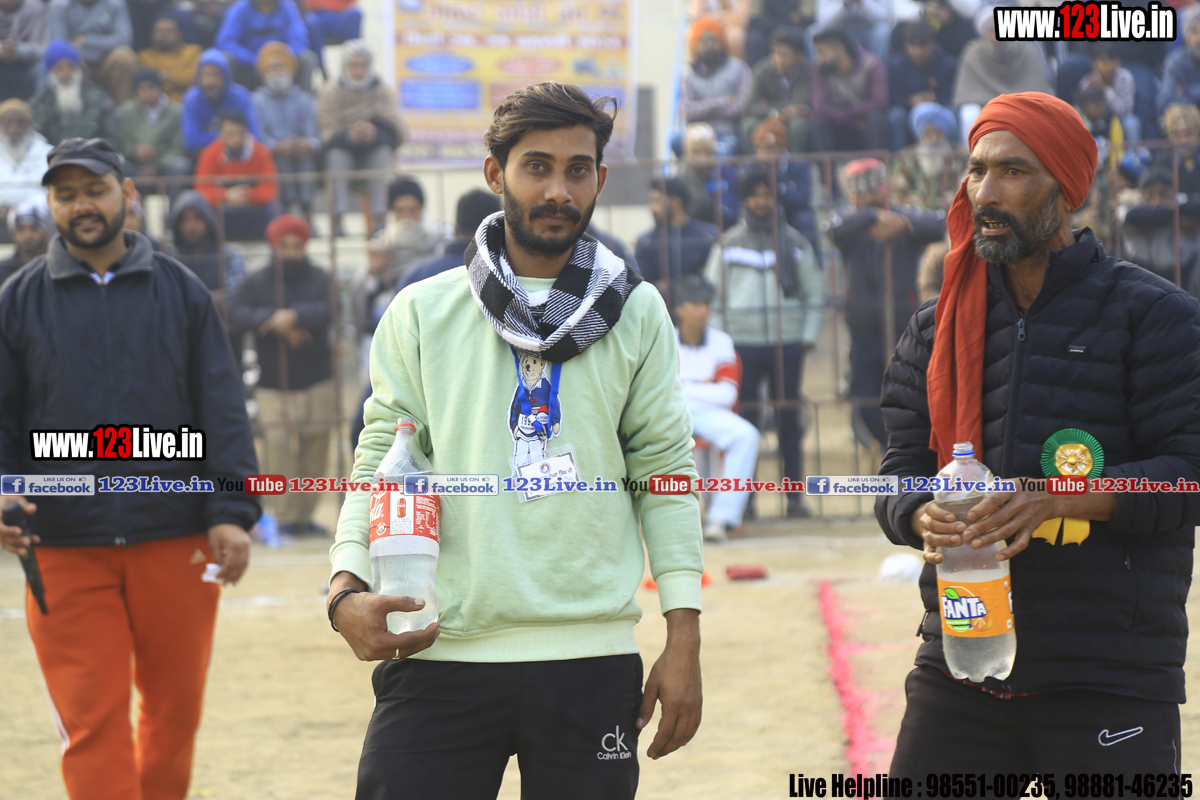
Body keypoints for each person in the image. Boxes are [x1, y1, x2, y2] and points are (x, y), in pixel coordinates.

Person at [327, 81, 703, 798]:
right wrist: (344, 587)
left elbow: (665, 472)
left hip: (590, 659)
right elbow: (381, 459)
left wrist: (683, 637)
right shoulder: (421, 311)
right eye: (537, 166)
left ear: (600, 179)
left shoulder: (637, 310)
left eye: (577, 169)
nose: (558, 190)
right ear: (495, 174)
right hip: (437, 650)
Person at [882, 88, 1200, 774]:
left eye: (1013, 171)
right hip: (962, 656)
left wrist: (1057, 499)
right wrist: (917, 513)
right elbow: (899, 471)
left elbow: (1189, 475)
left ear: (1066, 188)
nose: (985, 193)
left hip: (1107, 667)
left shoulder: (1154, 315)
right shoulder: (935, 328)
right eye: (976, 170)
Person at [0, 136, 259, 800]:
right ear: (50, 205)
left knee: (174, 718)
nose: (82, 205)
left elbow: (222, 407)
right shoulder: (16, 300)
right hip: (62, 546)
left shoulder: (182, 292)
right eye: (66, 195)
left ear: (127, 194)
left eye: (95, 190)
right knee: (92, 724)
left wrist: (230, 510)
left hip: (176, 539)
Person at [705, 168, 823, 518]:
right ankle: (746, 500)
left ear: (775, 198)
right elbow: (713, 297)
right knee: (746, 423)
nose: (761, 201)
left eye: (766, 194)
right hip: (740, 345)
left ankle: (794, 498)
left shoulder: (796, 243)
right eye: (755, 195)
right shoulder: (727, 243)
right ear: (745, 200)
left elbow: (814, 293)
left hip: (788, 342)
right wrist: (722, 343)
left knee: (789, 422)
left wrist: (807, 337)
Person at [829, 157, 946, 448]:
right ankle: (893, 448)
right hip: (863, 331)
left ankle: (910, 452)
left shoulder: (904, 216)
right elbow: (831, 228)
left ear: (885, 188)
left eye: (875, 190)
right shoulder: (850, 225)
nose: (870, 197)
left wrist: (899, 223)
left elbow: (940, 224)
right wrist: (872, 217)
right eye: (863, 193)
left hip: (906, 328)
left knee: (914, 397)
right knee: (864, 400)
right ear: (853, 196)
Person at [229, 214, 333, 537]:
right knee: (277, 447)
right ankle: (285, 517)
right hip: (273, 381)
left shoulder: (320, 277)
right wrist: (276, 321)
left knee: (316, 446)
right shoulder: (256, 281)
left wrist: (296, 316)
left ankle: (306, 515)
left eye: (296, 246)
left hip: (318, 377)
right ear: (274, 247)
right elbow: (235, 313)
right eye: (284, 246)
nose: (290, 252)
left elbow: (331, 308)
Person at [673, 276, 759, 541]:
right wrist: (703, 385)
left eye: (706, 304)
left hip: (708, 414)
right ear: (679, 309)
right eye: (695, 304)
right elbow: (654, 389)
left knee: (746, 435)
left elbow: (727, 394)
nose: (703, 310)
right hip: (670, 412)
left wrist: (681, 385)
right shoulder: (663, 338)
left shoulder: (721, 341)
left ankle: (721, 518)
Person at [317, 39, 403, 235]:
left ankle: (379, 220)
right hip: (343, 154)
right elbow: (326, 136)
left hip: (372, 153)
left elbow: (397, 131)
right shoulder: (330, 92)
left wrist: (375, 134)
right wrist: (350, 136)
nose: (359, 71)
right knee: (336, 157)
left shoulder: (381, 90)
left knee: (383, 153)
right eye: (354, 65)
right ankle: (337, 221)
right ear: (345, 66)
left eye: (363, 65)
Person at [952, 6, 1053, 135]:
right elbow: (968, 90)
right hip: (986, 105)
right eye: (992, 29)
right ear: (985, 32)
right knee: (969, 113)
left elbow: (1039, 88)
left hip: (1023, 104)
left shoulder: (1025, 48)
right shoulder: (974, 51)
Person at [252, 40, 317, 216]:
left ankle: (307, 210)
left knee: (305, 158)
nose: (276, 72)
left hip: (301, 153)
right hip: (274, 154)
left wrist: (306, 144)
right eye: (271, 68)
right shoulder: (256, 101)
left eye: (281, 67)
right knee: (280, 158)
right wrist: (276, 146)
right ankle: (289, 208)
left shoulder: (305, 99)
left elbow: (314, 137)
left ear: (290, 70)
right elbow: (258, 137)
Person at [194, 109, 279, 240]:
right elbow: (202, 190)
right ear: (220, 134)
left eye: (240, 133)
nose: (236, 138)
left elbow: (271, 188)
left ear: (247, 132)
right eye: (230, 133)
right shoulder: (208, 154)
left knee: (274, 207)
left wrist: (249, 195)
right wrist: (226, 195)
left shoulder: (262, 152)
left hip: (254, 209)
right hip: (223, 211)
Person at [396, 188, 502, 291]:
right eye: (400, 210)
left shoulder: (414, 278)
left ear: (455, 230)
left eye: (413, 210)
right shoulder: (503, 275)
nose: (407, 216)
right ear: (499, 232)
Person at [635, 176, 719, 305]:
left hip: (700, 311)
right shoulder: (646, 242)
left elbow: (710, 280)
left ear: (676, 203)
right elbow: (644, 285)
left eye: (657, 201)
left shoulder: (708, 236)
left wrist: (668, 285)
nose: (652, 207)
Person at [680, 16, 752, 157]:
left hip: (727, 132)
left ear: (721, 43)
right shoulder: (688, 76)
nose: (709, 46)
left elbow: (741, 107)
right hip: (697, 135)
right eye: (703, 41)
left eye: (713, 40)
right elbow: (687, 111)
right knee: (677, 142)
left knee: (722, 155)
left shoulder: (739, 69)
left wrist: (702, 109)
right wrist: (721, 102)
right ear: (696, 45)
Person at [809, 28, 888, 153]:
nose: (819, 58)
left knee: (876, 118)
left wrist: (851, 111)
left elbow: (879, 102)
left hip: (864, 125)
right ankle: (826, 166)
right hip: (837, 125)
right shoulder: (820, 69)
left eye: (822, 52)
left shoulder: (872, 64)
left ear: (840, 49)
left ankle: (876, 163)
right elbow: (820, 107)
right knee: (817, 123)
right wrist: (847, 117)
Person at [110, 67, 190, 187]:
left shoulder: (177, 112)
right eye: (141, 89)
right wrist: (135, 150)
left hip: (164, 165)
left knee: (181, 165)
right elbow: (122, 143)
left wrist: (157, 165)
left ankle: (174, 200)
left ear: (160, 88)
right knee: (115, 164)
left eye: (151, 87)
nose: (147, 93)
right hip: (135, 165)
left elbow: (177, 147)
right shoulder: (126, 111)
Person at [1119, 169, 1200, 287]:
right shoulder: (1132, 208)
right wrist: (1176, 213)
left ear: (1174, 192)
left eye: (1164, 193)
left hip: (1182, 274)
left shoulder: (1183, 205)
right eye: (1150, 195)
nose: (1157, 200)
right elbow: (1135, 216)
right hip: (1142, 274)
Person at [168, 188, 246, 310]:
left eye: (198, 217)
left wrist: (190, 301)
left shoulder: (229, 256)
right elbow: (168, 298)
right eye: (184, 219)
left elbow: (236, 296)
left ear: (208, 220)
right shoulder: (171, 260)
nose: (191, 225)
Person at [47, 0, 137, 103]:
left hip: (107, 60)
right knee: (65, 61)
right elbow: (60, 46)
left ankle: (124, 109)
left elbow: (124, 39)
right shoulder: (59, 6)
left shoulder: (116, 3)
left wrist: (87, 41)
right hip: (78, 59)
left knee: (125, 56)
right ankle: (74, 110)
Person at [215, 0, 315, 92]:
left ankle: (304, 100)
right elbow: (225, 41)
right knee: (226, 59)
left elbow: (300, 39)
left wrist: (282, 58)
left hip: (283, 66)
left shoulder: (287, 7)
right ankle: (233, 101)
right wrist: (254, 60)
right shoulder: (239, 9)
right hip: (250, 66)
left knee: (307, 58)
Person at [887, 20, 957, 152]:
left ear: (933, 44)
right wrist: (909, 101)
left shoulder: (948, 64)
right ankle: (897, 158)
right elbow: (891, 98)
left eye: (923, 46)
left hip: (939, 110)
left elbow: (953, 96)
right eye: (913, 45)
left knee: (952, 112)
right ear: (906, 45)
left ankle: (954, 155)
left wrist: (937, 99)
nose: (918, 51)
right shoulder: (896, 66)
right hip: (908, 111)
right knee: (896, 115)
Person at [181, 48, 262, 159]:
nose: (211, 81)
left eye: (216, 75)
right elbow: (191, 141)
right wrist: (229, 137)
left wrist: (234, 140)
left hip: (241, 152)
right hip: (207, 155)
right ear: (199, 77)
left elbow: (255, 135)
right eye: (206, 75)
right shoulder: (191, 99)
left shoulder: (241, 96)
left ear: (226, 76)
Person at [741, 26, 810, 155]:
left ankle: (795, 163)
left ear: (799, 56)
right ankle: (755, 164)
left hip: (792, 119)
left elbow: (801, 104)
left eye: (785, 55)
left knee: (798, 125)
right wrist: (777, 112)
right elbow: (748, 107)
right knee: (748, 124)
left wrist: (767, 105)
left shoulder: (807, 71)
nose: (779, 60)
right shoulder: (762, 70)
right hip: (767, 117)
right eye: (776, 53)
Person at [750, 117, 817, 250]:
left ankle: (813, 259)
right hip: (763, 212)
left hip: (791, 212)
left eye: (770, 148)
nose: (764, 153)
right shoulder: (751, 167)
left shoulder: (798, 164)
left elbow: (803, 199)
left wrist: (779, 186)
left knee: (804, 219)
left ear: (782, 147)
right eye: (759, 147)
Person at [891, 101, 967, 211]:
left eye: (938, 133)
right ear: (920, 135)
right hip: (916, 215)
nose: (933, 139)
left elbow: (966, 190)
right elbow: (898, 193)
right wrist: (922, 205)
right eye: (928, 133)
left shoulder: (959, 155)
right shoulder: (905, 158)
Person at [32, 39, 112, 144]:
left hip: (92, 152)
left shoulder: (98, 97)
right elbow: (35, 138)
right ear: (51, 71)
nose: (66, 73)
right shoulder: (41, 101)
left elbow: (112, 136)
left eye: (71, 66)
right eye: (60, 68)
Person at [0, 98, 53, 224]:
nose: (14, 128)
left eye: (20, 122)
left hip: (38, 222)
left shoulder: (48, 153)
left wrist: (23, 209)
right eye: (9, 122)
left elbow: (53, 192)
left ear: (29, 125)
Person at [678, 122, 739, 228]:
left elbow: (733, 210)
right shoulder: (682, 177)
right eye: (696, 152)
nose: (702, 157)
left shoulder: (728, 173)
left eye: (707, 151)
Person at [1079, 43, 1141, 143]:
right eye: (1103, 60)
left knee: (1132, 123)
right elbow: (1080, 112)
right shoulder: (1088, 82)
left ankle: (1132, 153)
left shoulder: (1126, 78)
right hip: (1096, 122)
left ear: (1118, 61)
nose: (1108, 65)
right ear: (1094, 64)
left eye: (1112, 59)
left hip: (1119, 120)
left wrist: (1105, 89)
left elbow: (1126, 111)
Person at [138, 15, 202, 103]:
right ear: (152, 34)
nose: (164, 34)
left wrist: (169, 77)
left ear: (180, 33)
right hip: (156, 105)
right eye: (159, 31)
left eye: (169, 31)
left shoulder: (193, 52)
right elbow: (146, 86)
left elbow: (196, 79)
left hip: (187, 103)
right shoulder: (144, 56)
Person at [812, 0, 892, 61]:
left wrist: (862, 3)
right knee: (813, 32)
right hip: (839, 32)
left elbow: (885, 17)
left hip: (868, 31)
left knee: (883, 31)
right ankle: (818, 76)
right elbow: (824, 21)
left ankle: (879, 74)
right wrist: (846, 5)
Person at [0, 0, 48, 102]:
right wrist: (2, 50)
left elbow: (43, 48)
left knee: (47, 64)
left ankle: (38, 108)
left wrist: (18, 50)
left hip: (28, 69)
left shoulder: (37, 8)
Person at [1157, 6, 1200, 115]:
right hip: (1188, 119)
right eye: (1195, 32)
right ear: (1187, 36)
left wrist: (1187, 90)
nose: (1199, 38)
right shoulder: (1175, 62)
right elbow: (1165, 102)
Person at [0, 198, 48, 284]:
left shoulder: (53, 269)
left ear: (43, 232)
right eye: (21, 229)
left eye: (33, 228)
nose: (27, 235)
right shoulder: (3, 271)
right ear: (14, 234)